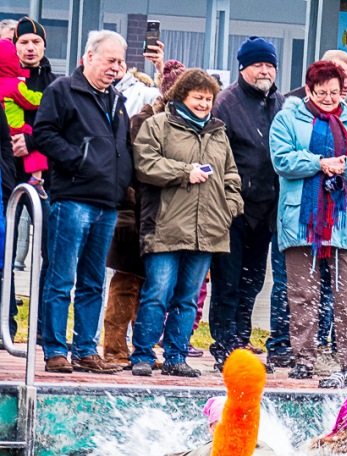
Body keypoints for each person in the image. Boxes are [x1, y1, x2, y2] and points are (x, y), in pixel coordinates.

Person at [270, 60, 347, 389]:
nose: (329, 98)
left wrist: (344, 164)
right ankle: (303, 358)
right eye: (322, 92)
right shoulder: (287, 118)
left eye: (334, 92)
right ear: (308, 90)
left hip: (345, 220)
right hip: (301, 219)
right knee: (303, 293)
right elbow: (281, 159)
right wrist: (319, 163)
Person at [131, 69, 243, 378]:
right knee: (158, 293)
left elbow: (231, 176)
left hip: (208, 230)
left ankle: (176, 356)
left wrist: (230, 207)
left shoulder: (218, 132)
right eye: (198, 98)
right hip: (166, 226)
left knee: (188, 298)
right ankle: (142, 354)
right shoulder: (157, 125)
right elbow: (145, 164)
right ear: (182, 96)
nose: (205, 104)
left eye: (209, 99)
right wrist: (185, 172)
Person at [35, 30, 131, 375]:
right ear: (88, 57)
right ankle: (56, 349)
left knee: (93, 281)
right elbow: (43, 134)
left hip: (107, 202)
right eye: (110, 60)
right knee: (61, 278)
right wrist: (78, 161)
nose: (116, 68)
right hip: (73, 198)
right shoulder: (62, 90)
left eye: (120, 62)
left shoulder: (117, 100)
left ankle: (86, 350)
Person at [102, 61, 186, 369]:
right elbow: (131, 169)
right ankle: (113, 348)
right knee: (126, 284)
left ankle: (142, 349)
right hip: (135, 213)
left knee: (154, 288)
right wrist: (130, 212)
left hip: (167, 217)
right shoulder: (143, 120)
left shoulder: (186, 124)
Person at [210, 36, 284, 371]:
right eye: (258, 64)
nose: (265, 70)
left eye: (270, 64)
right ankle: (224, 344)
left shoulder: (279, 103)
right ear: (243, 68)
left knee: (253, 281)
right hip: (233, 210)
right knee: (228, 282)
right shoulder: (225, 104)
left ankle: (240, 340)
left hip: (266, 211)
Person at [154, 352, 277, 456]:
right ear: (211, 428)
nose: (231, 430)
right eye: (222, 425)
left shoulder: (260, 451)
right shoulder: (200, 455)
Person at [0, 39, 45, 196]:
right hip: (16, 126)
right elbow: (30, 101)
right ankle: (36, 179)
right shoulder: (14, 85)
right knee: (34, 143)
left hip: (4, 129)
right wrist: (45, 96)